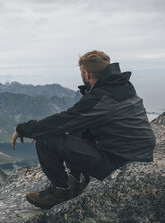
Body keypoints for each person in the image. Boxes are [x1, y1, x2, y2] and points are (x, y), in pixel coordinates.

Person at [11, 50, 156, 209]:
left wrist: (26, 129)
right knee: (76, 126)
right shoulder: (122, 86)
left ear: (86, 74)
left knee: (46, 138)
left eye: (81, 71)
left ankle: (61, 190)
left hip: (119, 163)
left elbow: (65, 120)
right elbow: (78, 121)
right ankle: (77, 176)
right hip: (140, 154)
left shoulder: (100, 97)